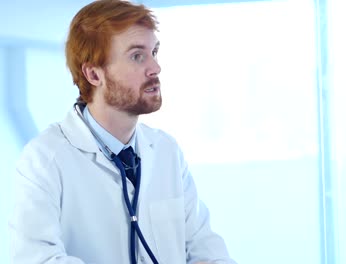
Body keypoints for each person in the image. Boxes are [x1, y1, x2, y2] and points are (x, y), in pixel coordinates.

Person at [9, 1, 236, 264]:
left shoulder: (166, 151)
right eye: (137, 56)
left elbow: (205, 248)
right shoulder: (45, 159)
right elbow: (37, 259)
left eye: (154, 52)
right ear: (94, 74)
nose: (155, 68)